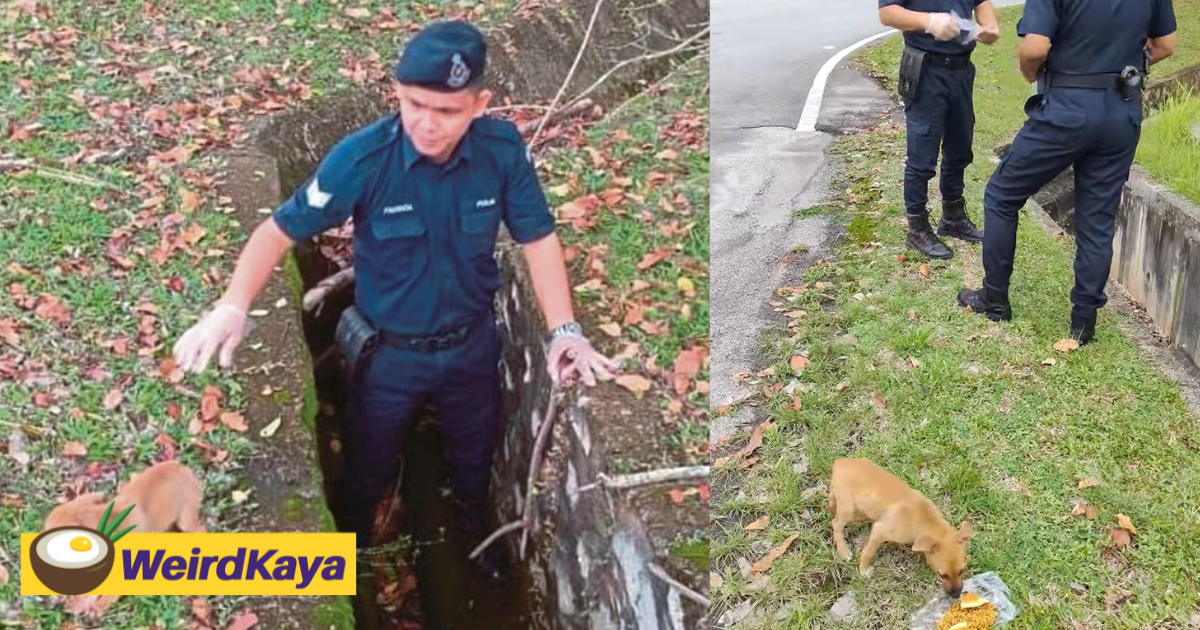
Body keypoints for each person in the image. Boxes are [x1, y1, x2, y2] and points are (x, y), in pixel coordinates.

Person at [171, 20, 618, 582]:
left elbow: (538, 238)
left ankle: (474, 533)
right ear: (396, 93)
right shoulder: (362, 160)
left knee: (474, 455)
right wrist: (232, 306)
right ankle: (351, 549)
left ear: (481, 104)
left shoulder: (501, 153)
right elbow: (278, 231)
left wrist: (563, 331)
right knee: (367, 463)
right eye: (414, 104)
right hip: (390, 356)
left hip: (471, 347)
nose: (428, 124)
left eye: (448, 111)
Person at [958, 0, 1176, 345]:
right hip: (1121, 111)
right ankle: (1083, 322)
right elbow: (1166, 44)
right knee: (1098, 218)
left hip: (1066, 110)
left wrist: (1031, 72)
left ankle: (994, 299)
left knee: (1002, 195)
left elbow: (1035, 47)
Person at [879, 0, 1000, 260]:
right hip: (926, 69)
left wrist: (989, 25)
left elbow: (982, 3)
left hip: (961, 70)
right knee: (922, 155)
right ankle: (917, 228)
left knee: (960, 147)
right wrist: (929, 21)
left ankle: (953, 217)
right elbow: (888, 13)